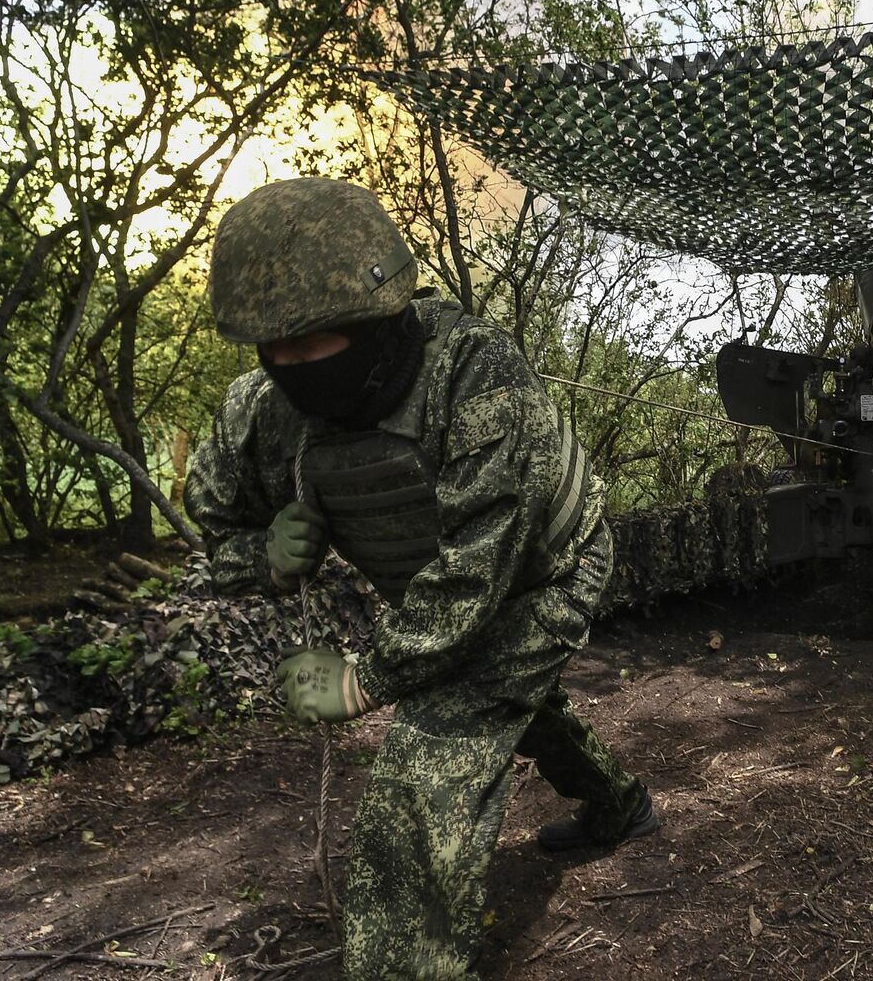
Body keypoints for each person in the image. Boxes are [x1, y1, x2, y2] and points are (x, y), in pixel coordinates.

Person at [185, 176, 659, 979]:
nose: (294, 367)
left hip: (549, 570)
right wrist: (263, 554)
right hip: (436, 590)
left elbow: (479, 570)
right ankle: (620, 806)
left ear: (380, 315)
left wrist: (364, 681)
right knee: (513, 700)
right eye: (276, 349)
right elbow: (213, 520)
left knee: (430, 757)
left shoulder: (477, 374)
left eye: (316, 341)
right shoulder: (263, 412)